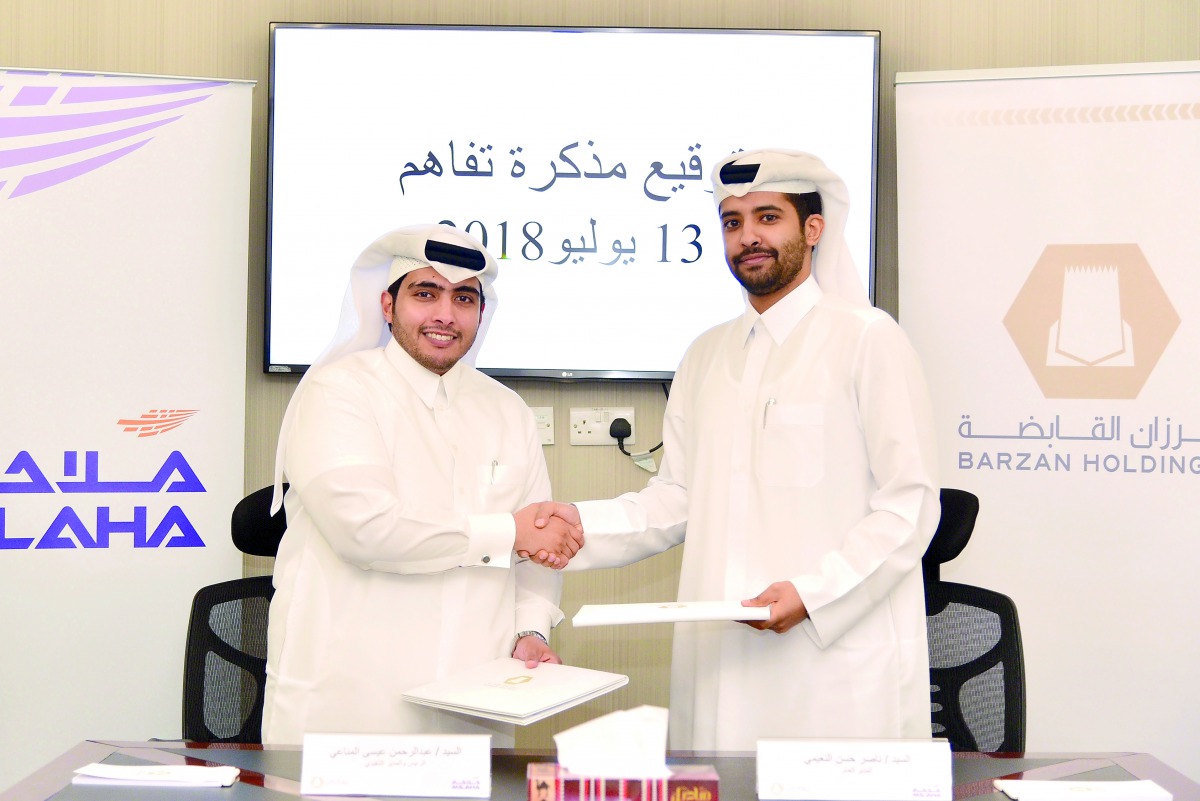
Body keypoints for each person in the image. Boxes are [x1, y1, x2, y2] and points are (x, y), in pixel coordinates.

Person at [539, 149, 941, 750]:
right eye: (732, 222)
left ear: (813, 228)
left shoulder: (868, 339)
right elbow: (677, 498)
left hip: (829, 662)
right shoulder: (705, 355)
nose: (747, 237)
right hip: (721, 659)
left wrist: (814, 593)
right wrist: (578, 523)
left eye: (767, 217)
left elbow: (909, 504)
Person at [262, 224, 583, 745]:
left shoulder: (508, 411)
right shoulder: (337, 392)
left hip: (474, 701)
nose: (445, 315)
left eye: (464, 298)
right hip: (350, 704)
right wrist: (509, 532)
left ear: (482, 312)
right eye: (425, 293)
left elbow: (537, 549)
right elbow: (366, 532)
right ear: (387, 306)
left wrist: (531, 630)